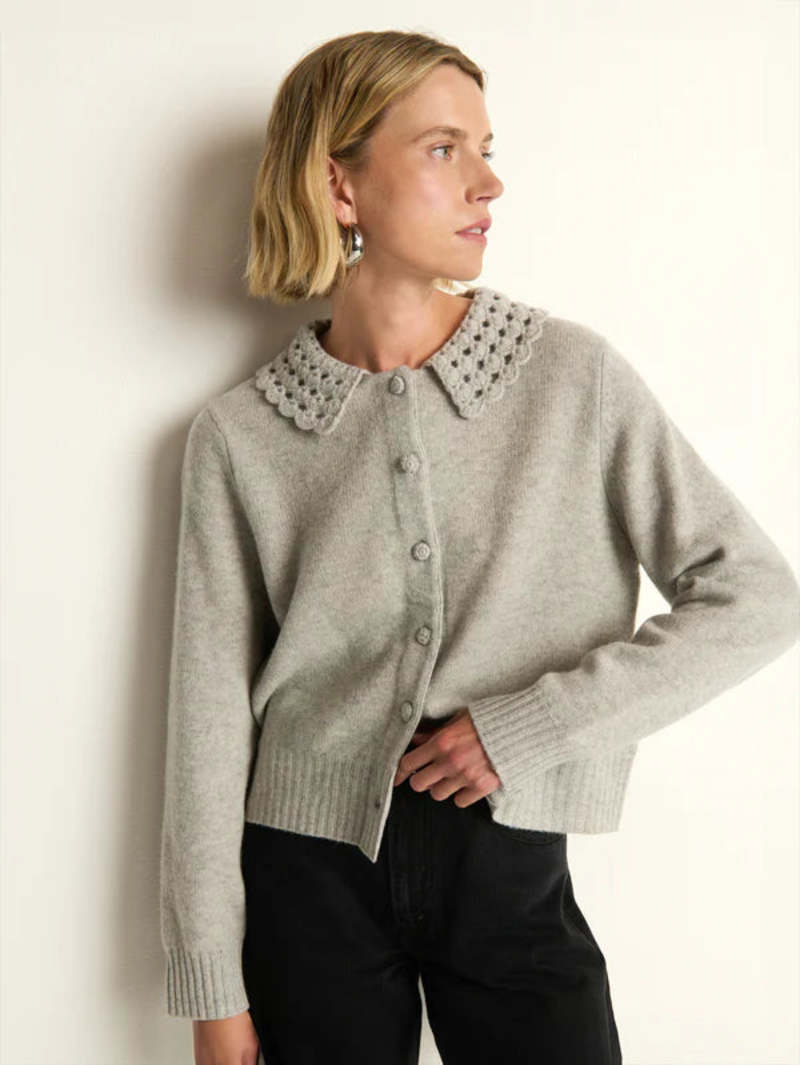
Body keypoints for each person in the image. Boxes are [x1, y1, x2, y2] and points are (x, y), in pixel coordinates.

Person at [158, 29, 800, 1065]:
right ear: (340, 186)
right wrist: (211, 987)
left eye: (485, 148)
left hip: (507, 866)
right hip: (305, 879)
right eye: (443, 148)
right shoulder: (242, 435)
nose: (489, 182)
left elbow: (757, 594)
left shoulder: (571, 379)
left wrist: (532, 726)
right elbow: (206, 722)